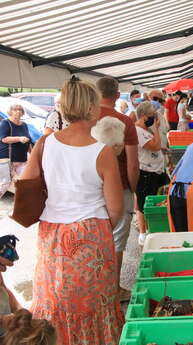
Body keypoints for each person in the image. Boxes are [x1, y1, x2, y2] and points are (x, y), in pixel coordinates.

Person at [22, 77, 124, 345]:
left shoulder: (45, 144)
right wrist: (99, 229)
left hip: (53, 234)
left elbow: (27, 182)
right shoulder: (103, 152)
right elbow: (116, 207)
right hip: (92, 232)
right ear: (91, 108)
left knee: (55, 300)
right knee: (95, 303)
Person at [96, 77, 139, 301]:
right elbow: (133, 163)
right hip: (119, 187)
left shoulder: (86, 119)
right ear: (116, 95)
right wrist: (133, 189)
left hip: (91, 189)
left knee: (94, 237)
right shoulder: (123, 121)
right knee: (116, 240)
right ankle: (113, 287)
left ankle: (94, 286)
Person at [134, 102, 166, 245]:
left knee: (155, 200)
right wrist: (156, 129)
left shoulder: (145, 129)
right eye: (151, 116)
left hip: (155, 170)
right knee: (143, 203)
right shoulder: (138, 131)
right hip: (146, 172)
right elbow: (154, 146)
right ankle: (142, 233)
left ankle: (152, 227)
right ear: (143, 116)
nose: (153, 119)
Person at [0, 104, 31, 198]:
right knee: (5, 183)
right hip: (7, 159)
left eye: (20, 110)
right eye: (15, 109)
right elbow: (3, 139)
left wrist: (31, 153)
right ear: (10, 111)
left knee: (23, 183)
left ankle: (18, 209)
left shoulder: (24, 125)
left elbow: (28, 140)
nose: (18, 111)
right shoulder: (6, 123)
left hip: (22, 160)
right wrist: (19, 138)